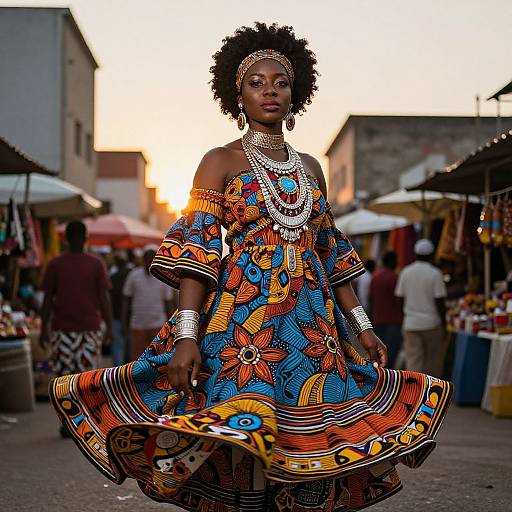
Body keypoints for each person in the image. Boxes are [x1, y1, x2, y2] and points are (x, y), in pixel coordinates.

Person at [49, 24, 452, 511]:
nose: (270, 90)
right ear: (237, 94)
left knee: (305, 442)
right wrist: (187, 336)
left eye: (280, 82)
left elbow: (328, 253)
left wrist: (362, 326)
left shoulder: (311, 168)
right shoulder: (219, 161)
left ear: (295, 93)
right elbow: (196, 254)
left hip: (310, 328)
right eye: (256, 82)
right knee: (242, 438)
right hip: (243, 326)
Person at [40, 221, 113, 435]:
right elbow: (104, 298)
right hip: (84, 329)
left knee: (66, 378)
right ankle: (76, 422)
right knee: (83, 379)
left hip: (68, 329)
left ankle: (70, 422)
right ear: (85, 237)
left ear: (66, 238)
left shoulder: (57, 264)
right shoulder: (95, 263)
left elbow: (47, 300)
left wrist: (44, 327)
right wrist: (109, 326)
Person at [395, 239, 448, 377]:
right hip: (432, 324)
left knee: (413, 362)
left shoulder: (406, 272)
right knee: (433, 362)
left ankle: (415, 394)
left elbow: (399, 299)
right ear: (431, 255)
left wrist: (406, 316)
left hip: (411, 324)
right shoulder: (435, 273)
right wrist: (444, 322)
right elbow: (440, 301)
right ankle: (432, 394)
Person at [121, 244, 177, 360]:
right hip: (137, 325)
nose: (149, 260)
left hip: (158, 326)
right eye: (147, 257)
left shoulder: (163, 276)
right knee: (137, 361)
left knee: (157, 360)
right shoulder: (133, 275)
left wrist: (172, 327)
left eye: (152, 257)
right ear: (143, 259)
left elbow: (168, 304)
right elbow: (126, 301)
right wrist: (123, 323)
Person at [370, 251, 402, 367]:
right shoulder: (394, 278)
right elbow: (399, 300)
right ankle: (389, 376)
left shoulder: (375, 277)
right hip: (393, 321)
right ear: (393, 262)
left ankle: (380, 374)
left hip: (378, 319)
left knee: (379, 352)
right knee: (391, 351)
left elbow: (371, 299)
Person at [109, 251, 132, 365]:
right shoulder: (131, 274)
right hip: (130, 317)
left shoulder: (112, 278)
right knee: (128, 349)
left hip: (117, 317)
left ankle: (118, 376)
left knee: (118, 348)